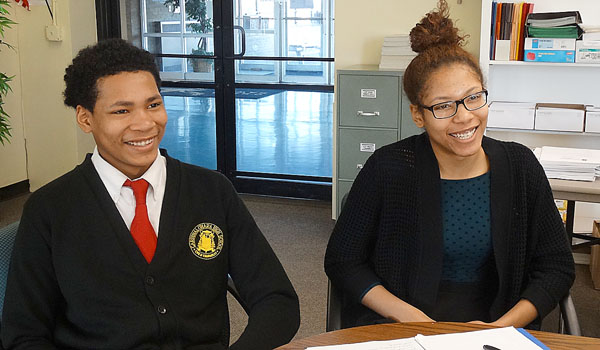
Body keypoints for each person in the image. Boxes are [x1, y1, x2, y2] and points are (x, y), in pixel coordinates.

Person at [1, 39, 300, 350]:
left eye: (153, 104)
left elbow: (277, 300)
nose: (145, 123)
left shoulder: (211, 191)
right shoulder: (50, 209)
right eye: (121, 110)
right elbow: (24, 336)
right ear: (85, 118)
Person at [324, 0, 575, 330]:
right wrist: (412, 320)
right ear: (418, 115)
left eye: (473, 97)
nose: (464, 116)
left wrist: (503, 327)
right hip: (404, 329)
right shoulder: (388, 169)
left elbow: (556, 266)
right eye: (444, 106)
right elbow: (343, 261)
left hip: (499, 331)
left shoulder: (520, 166)